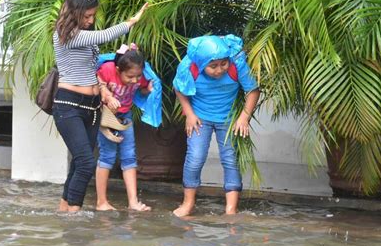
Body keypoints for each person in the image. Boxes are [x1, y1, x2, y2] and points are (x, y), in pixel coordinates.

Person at [52, 0, 147, 212]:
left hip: (92, 107)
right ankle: (74, 218)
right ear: (73, 13)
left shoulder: (84, 35)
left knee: (79, 162)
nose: (90, 20)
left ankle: (63, 212)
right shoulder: (65, 34)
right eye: (86, 16)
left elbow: (94, 65)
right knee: (86, 162)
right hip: (69, 105)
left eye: (93, 15)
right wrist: (131, 21)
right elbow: (103, 35)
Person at [172, 34, 260, 217]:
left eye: (223, 64)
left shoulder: (237, 63)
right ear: (202, 64)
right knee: (195, 157)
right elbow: (179, 88)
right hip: (199, 119)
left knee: (230, 159)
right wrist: (189, 113)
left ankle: (231, 209)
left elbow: (252, 90)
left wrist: (244, 117)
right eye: (213, 66)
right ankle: (188, 203)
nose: (219, 70)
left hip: (228, 119)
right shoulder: (189, 66)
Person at [95, 44, 160, 211]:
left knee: (129, 157)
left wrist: (148, 90)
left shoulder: (139, 77)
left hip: (125, 116)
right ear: (118, 70)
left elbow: (142, 89)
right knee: (107, 156)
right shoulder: (108, 69)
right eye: (130, 77)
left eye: (138, 76)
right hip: (107, 117)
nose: (135, 80)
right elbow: (95, 80)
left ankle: (133, 202)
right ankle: (101, 202)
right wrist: (107, 96)